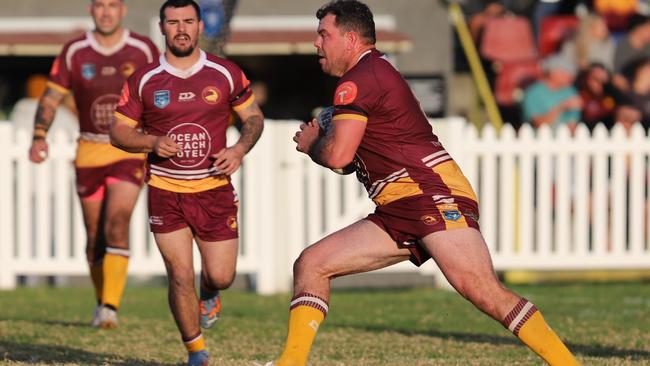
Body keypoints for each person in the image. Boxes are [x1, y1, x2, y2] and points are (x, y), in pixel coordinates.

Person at [265, 1, 580, 365]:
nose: (317, 44)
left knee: (483, 291)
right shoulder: (371, 73)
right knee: (312, 264)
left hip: (429, 195)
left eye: (324, 35)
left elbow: (337, 157)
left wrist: (312, 145)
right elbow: (350, 160)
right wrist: (328, 143)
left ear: (350, 39)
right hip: (401, 203)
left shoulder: (359, 79)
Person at [109, 1, 263, 365]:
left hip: (214, 189)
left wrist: (239, 149)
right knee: (179, 275)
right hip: (166, 190)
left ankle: (211, 290)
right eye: (173, 22)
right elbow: (117, 130)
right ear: (161, 27)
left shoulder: (224, 73)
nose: (181, 29)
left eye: (188, 22)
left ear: (199, 27)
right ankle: (196, 352)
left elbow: (253, 117)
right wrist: (150, 142)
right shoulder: (144, 79)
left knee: (222, 275)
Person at [27, 0, 159, 329]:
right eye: (100, 5)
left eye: (112, 5)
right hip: (89, 149)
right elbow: (51, 97)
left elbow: (162, 91)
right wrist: (39, 135)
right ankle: (102, 302)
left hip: (128, 149)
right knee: (93, 234)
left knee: (117, 221)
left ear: (123, 10)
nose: (106, 11)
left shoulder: (142, 49)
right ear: (91, 10)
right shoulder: (75, 51)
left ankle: (110, 308)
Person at [522, 54, 582, 131]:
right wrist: (562, 107)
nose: (570, 76)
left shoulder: (570, 92)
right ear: (552, 72)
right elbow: (540, 124)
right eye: (565, 72)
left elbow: (572, 125)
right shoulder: (533, 93)